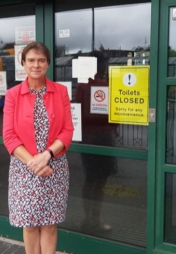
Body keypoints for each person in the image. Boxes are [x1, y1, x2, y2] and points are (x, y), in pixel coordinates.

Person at [3, 42, 74, 254]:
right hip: (24, 169)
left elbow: (67, 130)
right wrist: (34, 164)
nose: (36, 65)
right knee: (30, 224)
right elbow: (9, 136)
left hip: (54, 167)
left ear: (48, 64)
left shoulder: (60, 92)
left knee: (50, 224)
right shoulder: (13, 94)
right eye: (31, 60)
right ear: (23, 63)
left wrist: (46, 155)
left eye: (41, 60)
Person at [75, 70, 118, 233]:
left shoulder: (81, 86)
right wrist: (114, 127)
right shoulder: (104, 85)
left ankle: (88, 219)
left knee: (90, 179)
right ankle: (95, 220)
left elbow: (77, 109)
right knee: (100, 181)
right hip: (103, 136)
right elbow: (114, 112)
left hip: (87, 136)